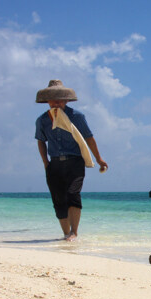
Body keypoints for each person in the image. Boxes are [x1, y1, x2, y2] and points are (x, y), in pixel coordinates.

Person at [35, 80, 108, 241]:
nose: (56, 102)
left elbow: (89, 138)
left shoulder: (77, 116)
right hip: (54, 163)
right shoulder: (43, 120)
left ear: (66, 100)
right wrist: (46, 163)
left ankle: (74, 232)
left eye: (60, 99)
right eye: (53, 99)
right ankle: (65, 233)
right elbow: (40, 141)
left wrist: (99, 159)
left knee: (73, 194)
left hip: (75, 161)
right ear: (47, 100)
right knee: (58, 199)